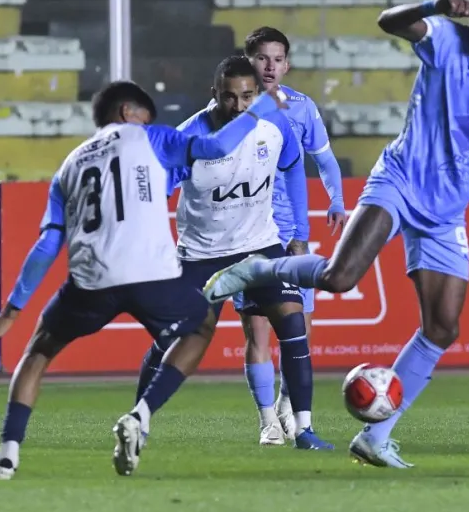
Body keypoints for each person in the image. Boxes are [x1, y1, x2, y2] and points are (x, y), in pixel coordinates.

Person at [204, 0, 469, 468]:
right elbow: (388, 21)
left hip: (447, 209)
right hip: (401, 180)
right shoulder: (445, 38)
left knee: (443, 328)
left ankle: (375, 436)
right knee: (339, 277)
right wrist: (434, 4)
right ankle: (259, 270)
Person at [0, 80, 288, 479]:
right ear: (127, 113)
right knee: (201, 326)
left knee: (37, 353)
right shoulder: (150, 137)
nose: (148, 122)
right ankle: (142, 413)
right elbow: (217, 147)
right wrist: (262, 108)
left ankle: (6, 456)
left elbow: (47, 245)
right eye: (145, 116)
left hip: (89, 282)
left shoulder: (69, 166)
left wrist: (10, 312)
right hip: (150, 275)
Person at [134, 55, 333, 450]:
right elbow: (157, 191)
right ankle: (137, 418)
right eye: (229, 98)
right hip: (201, 255)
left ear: (257, 94)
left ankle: (304, 429)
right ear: (215, 94)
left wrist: (299, 235)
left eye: (247, 97)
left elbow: (294, 167)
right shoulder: (189, 136)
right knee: (171, 336)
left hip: (260, 246)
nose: (239, 106)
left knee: (293, 325)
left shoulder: (275, 125)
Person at [240, 26, 346, 443]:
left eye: (277, 58)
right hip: (247, 232)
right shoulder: (231, 109)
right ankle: (267, 421)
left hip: (291, 234)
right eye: (262, 58)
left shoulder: (301, 108)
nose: (270, 66)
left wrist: (336, 198)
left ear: (287, 64)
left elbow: (325, 159)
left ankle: (288, 406)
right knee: (257, 331)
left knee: (299, 330)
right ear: (249, 61)